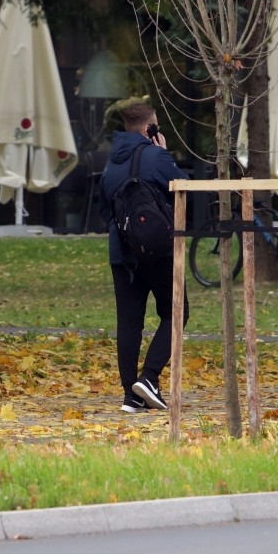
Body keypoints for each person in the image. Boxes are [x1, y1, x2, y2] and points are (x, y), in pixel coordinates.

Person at [98, 102, 189, 412]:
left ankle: (130, 397)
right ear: (150, 129)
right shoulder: (156, 156)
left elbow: (104, 210)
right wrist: (165, 154)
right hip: (158, 249)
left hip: (121, 253)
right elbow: (185, 188)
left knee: (129, 323)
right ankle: (149, 378)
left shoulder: (110, 163)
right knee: (177, 311)